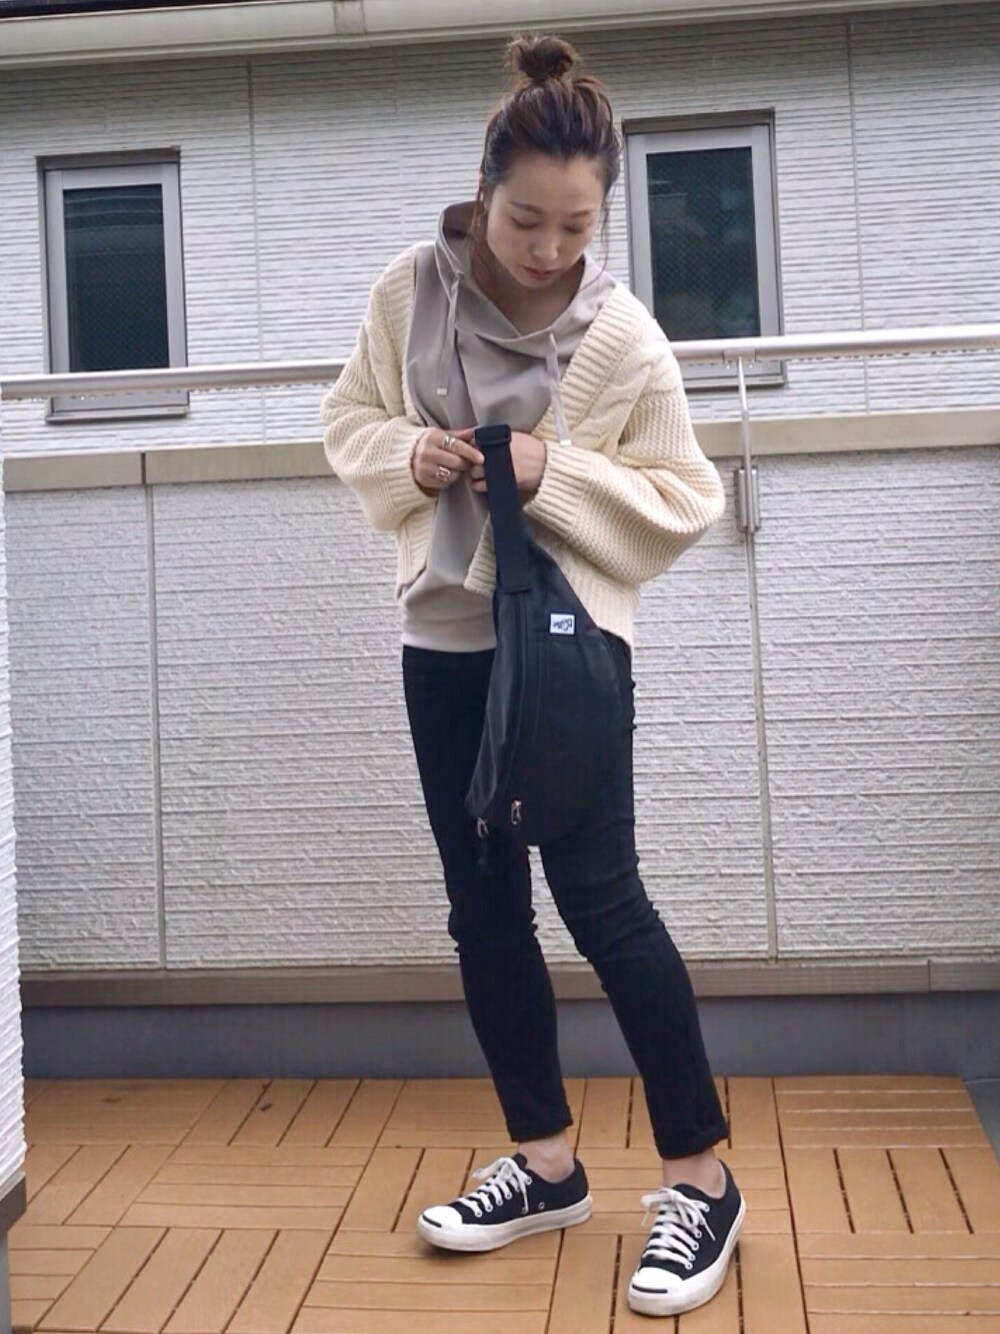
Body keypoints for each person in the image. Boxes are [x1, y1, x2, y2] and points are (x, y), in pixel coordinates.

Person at [321, 31, 745, 1319]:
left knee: (604, 903)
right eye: (526, 221)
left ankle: (703, 1180)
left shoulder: (625, 341)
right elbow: (350, 418)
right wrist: (410, 458)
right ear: (483, 189)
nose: (550, 248)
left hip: (567, 654)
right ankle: (547, 1163)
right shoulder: (409, 291)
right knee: (484, 910)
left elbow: (687, 498)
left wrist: (557, 472)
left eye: (577, 226)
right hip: (445, 646)